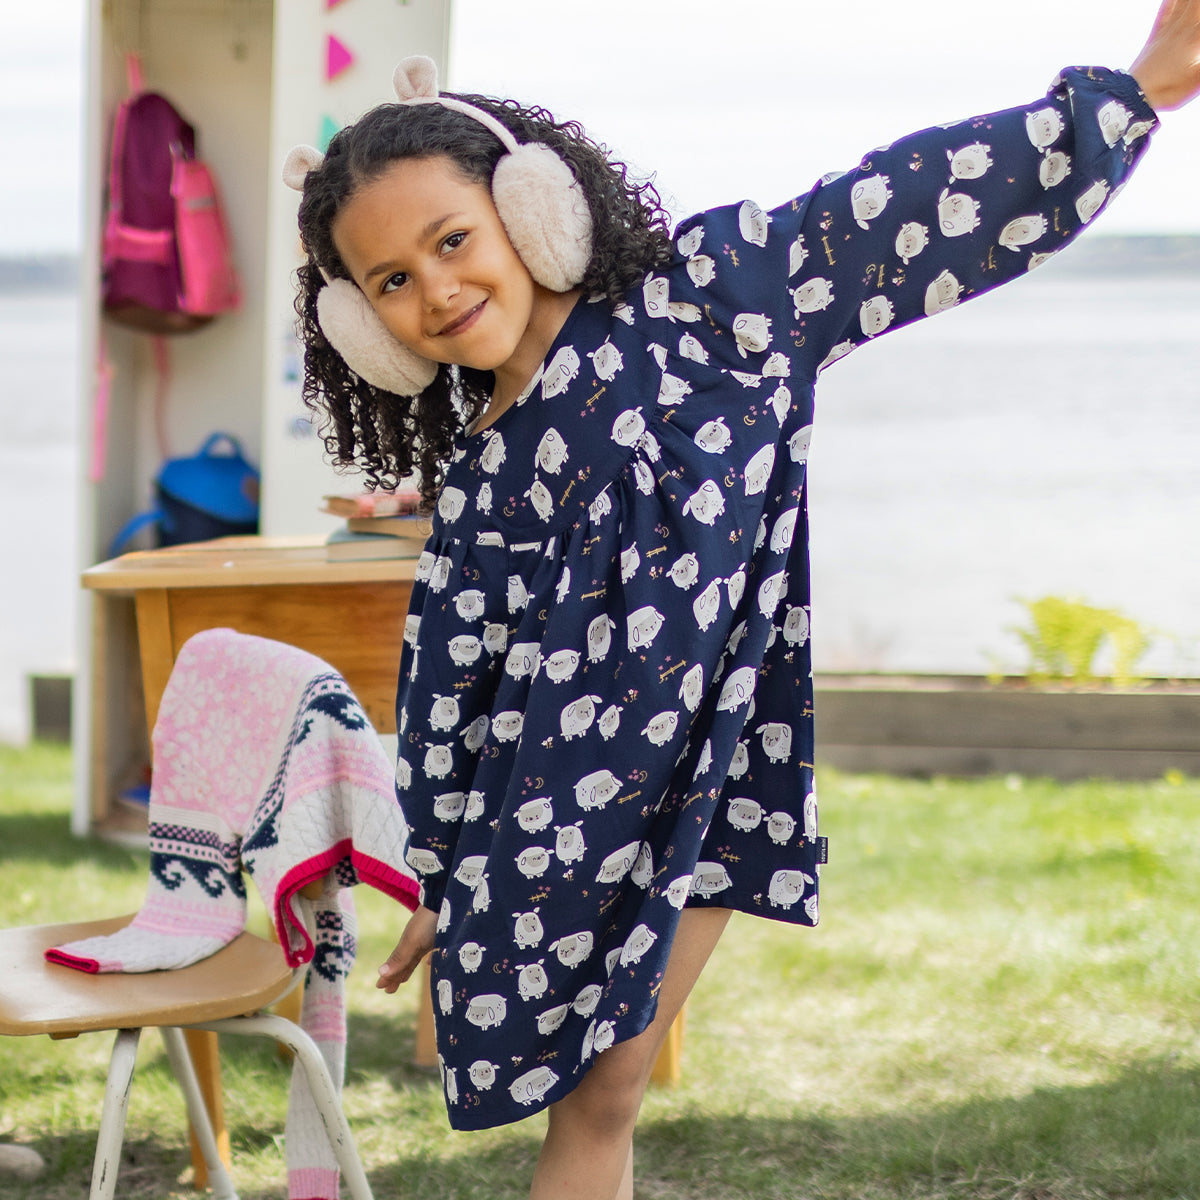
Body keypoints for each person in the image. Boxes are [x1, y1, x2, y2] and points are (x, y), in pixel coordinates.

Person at [284, 5, 1200, 1196]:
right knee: (596, 1102)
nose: (439, 289)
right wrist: (450, 879)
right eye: (393, 281)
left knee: (608, 1090)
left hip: (714, 768)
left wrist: (1129, 93)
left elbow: (904, 206)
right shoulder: (481, 478)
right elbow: (450, 695)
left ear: (530, 208)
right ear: (365, 326)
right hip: (558, 822)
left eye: (456, 240)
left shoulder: (713, 302)